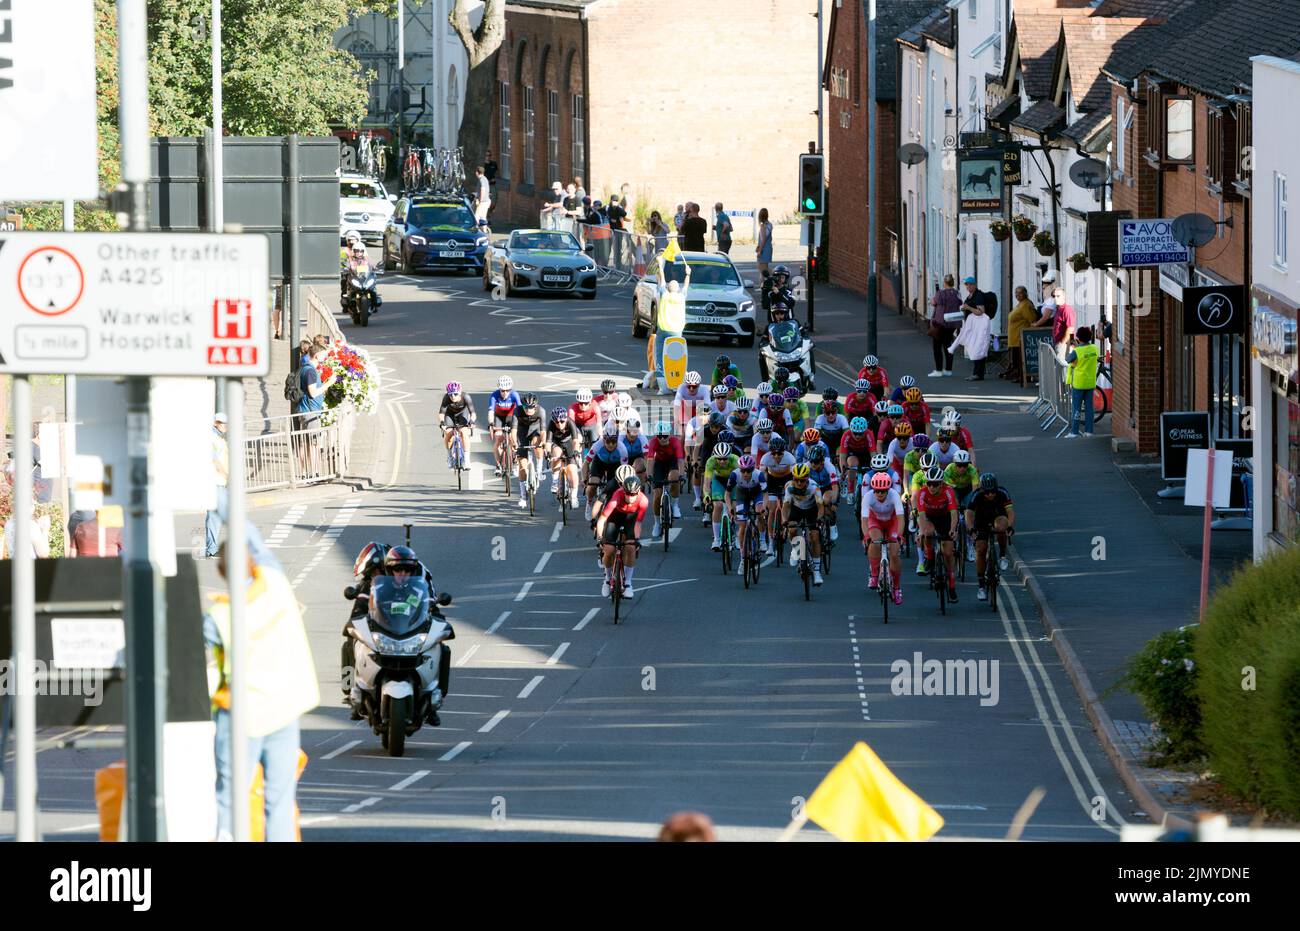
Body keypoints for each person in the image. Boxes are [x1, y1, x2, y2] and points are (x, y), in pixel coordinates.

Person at [204, 526, 318, 842]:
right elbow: (255, 537)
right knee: (279, 802)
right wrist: (224, 492)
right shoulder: (278, 588)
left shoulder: (218, 616)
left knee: (230, 797)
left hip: (241, 716)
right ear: (254, 563)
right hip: (283, 710)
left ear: (220, 570)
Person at [596, 474, 648, 597]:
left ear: (638, 492)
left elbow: (638, 524)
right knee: (608, 549)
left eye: (633, 494)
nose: (630, 497)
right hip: (614, 518)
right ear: (623, 491)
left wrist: (636, 540)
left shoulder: (643, 501)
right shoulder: (616, 497)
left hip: (631, 520)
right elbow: (602, 519)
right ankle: (607, 580)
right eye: (628, 494)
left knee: (630, 547)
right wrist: (599, 538)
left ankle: (628, 583)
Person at [966, 472, 1014, 600]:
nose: (990, 495)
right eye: (987, 492)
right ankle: (981, 586)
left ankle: (1002, 556)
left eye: (992, 492)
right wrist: (971, 529)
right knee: (981, 550)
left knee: (1002, 527)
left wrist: (1009, 526)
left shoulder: (1003, 493)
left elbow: (1010, 512)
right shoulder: (976, 495)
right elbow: (969, 513)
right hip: (981, 522)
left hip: (998, 517)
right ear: (982, 490)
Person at [915, 467, 960, 601]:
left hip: (945, 518)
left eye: (935, 484)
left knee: (948, 553)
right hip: (929, 518)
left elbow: (953, 514)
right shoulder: (922, 493)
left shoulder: (948, 491)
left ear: (941, 484)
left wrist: (953, 529)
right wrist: (922, 531)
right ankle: (929, 557)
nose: (932, 487)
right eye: (929, 483)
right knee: (927, 533)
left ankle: (951, 586)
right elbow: (921, 515)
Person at [649, 255, 690, 395]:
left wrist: (660, 264)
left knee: (660, 357)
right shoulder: (681, 297)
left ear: (668, 288)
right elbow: (686, 285)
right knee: (677, 358)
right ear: (677, 289)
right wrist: (687, 273)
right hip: (677, 332)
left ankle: (663, 387)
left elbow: (662, 279)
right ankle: (677, 384)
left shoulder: (664, 295)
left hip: (663, 330)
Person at [862, 471, 905, 606]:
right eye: (877, 491)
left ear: (888, 490)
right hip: (875, 521)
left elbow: (901, 519)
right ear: (873, 489)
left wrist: (899, 536)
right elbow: (864, 520)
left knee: (894, 554)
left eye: (883, 491)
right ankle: (874, 574)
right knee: (874, 543)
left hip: (892, 521)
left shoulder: (894, 496)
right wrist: (866, 536)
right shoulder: (868, 497)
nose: (880, 494)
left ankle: (897, 588)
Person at [294, 344, 336, 475]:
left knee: (304, 443)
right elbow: (312, 392)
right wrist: (329, 383)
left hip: (304, 410)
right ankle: (315, 473)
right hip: (310, 412)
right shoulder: (311, 371)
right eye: (323, 354)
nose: (325, 356)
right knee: (313, 443)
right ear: (317, 355)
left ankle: (303, 473)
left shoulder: (304, 368)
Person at [782, 463, 824, 586]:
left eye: (802, 480)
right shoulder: (789, 487)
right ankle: (796, 549)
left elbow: (820, 506)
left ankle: (816, 571)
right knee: (792, 530)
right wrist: (785, 520)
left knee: (815, 536)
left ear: (807, 479)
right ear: (793, 478)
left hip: (812, 509)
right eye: (796, 480)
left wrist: (819, 519)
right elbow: (786, 506)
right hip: (797, 509)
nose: (799, 483)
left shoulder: (814, 487)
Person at [724, 455, 768, 571]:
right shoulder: (734, 475)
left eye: (748, 471)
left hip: (756, 492)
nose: (745, 474)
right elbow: (727, 494)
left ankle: (762, 540)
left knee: (760, 513)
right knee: (742, 526)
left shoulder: (759, 475)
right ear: (739, 469)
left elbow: (765, 494)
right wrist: (729, 508)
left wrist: (764, 508)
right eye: (743, 470)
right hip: (742, 494)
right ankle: (743, 559)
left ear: (753, 469)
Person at [646, 421, 686, 537]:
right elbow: (649, 460)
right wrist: (649, 475)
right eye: (659, 436)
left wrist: (682, 475)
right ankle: (657, 523)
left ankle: (674, 505)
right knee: (657, 495)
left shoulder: (675, 442)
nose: (662, 439)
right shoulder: (653, 442)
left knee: (674, 477)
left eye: (665, 436)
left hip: (672, 462)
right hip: (659, 464)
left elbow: (680, 461)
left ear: (669, 435)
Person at [703, 441, 740, 552]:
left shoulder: (735, 460)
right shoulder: (710, 461)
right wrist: (706, 495)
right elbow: (707, 482)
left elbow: (741, 479)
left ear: (729, 457)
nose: (722, 461)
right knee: (718, 506)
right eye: (719, 459)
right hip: (718, 481)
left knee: (735, 508)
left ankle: (738, 537)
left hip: (733, 482)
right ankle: (717, 539)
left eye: (725, 459)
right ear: (715, 457)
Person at [1065, 326, 1100, 438]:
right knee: (1089, 408)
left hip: (1079, 384)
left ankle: (1074, 432)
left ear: (1078, 338)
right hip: (1090, 383)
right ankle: (1089, 431)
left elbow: (1067, 359)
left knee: (1076, 408)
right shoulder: (1095, 348)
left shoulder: (1077, 351)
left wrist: (1069, 346)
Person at [546, 406, 583, 509]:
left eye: (562, 421)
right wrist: (548, 453)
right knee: (556, 454)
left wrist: (575, 451)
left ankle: (574, 497)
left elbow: (575, 441)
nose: (559, 424)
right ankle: (555, 480)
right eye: (557, 422)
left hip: (569, 442)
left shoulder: (570, 423)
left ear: (566, 419)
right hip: (557, 443)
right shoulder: (551, 425)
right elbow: (548, 442)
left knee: (572, 470)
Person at [514, 394, 546, 509]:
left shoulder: (541, 411)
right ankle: (523, 496)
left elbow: (543, 431)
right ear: (522, 406)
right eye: (526, 407)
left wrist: (543, 442)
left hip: (535, 431)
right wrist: (514, 443)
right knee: (522, 468)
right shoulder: (517, 411)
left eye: (531, 407)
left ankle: (539, 469)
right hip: (522, 433)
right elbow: (513, 430)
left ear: (535, 406)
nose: (529, 410)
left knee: (537, 443)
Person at [487, 376, 523, 477]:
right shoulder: (494, 395)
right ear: (499, 389)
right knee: (498, 437)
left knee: (513, 438)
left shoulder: (515, 395)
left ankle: (515, 461)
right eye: (502, 391)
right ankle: (498, 465)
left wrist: (522, 422)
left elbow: (520, 410)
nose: (505, 393)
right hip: (499, 418)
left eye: (507, 390)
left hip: (512, 418)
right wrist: (491, 424)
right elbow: (491, 411)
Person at [950, 296, 992, 381]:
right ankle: (978, 374)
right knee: (977, 352)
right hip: (977, 334)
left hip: (978, 334)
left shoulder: (981, 315)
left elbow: (980, 313)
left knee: (978, 352)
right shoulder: (974, 316)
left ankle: (977, 374)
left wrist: (968, 308)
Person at [928, 275, 963, 377]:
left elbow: (934, 302)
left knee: (937, 347)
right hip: (952, 323)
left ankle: (938, 370)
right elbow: (960, 303)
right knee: (948, 345)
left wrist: (931, 301)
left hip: (940, 323)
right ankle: (948, 370)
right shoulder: (957, 293)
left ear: (945, 283)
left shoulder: (941, 293)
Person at [438, 381, 477, 469]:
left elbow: (473, 413)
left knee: (464, 432)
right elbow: (441, 413)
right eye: (450, 394)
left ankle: (467, 460)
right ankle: (449, 457)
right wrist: (442, 423)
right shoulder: (446, 398)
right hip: (449, 414)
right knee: (448, 433)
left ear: (459, 393)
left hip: (462, 413)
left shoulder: (466, 397)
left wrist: (472, 421)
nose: (453, 397)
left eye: (455, 394)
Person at [206, 412, 229, 558]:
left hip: (220, 481)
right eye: (222, 423)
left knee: (216, 515)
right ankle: (211, 548)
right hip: (215, 480)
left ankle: (212, 547)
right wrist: (225, 473)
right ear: (215, 423)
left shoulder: (218, 437)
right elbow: (213, 459)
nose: (225, 426)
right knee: (214, 515)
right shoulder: (212, 437)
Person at [1004, 285, 1037, 382]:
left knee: (1020, 359)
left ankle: (1023, 377)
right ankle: (1018, 375)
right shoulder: (1020, 304)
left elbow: (1031, 319)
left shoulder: (1026, 305)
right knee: (1016, 358)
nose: (1017, 295)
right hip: (1014, 337)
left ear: (1025, 294)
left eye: (1020, 293)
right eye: (1016, 293)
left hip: (1020, 337)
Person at [1050, 286, 1077, 365]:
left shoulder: (1066, 309)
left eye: (1058, 296)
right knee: (1060, 370)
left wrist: (1062, 343)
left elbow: (1070, 329)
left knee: (1062, 371)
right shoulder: (1059, 309)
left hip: (1065, 345)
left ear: (1064, 297)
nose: (1055, 298)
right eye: (1054, 296)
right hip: (1059, 343)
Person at [755, 207, 773, 277]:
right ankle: (763, 284)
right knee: (764, 269)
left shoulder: (763, 226)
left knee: (762, 269)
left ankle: (776, 274)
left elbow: (763, 239)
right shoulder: (769, 224)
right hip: (768, 248)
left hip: (764, 249)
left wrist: (759, 250)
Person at [483, 150, 499, 216]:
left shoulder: (494, 164)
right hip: (485, 186)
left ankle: (489, 213)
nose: (488, 157)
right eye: (487, 155)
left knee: (494, 202)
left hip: (492, 185)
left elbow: (497, 173)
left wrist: (495, 178)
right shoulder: (483, 165)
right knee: (485, 202)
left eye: (490, 155)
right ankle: (486, 215)